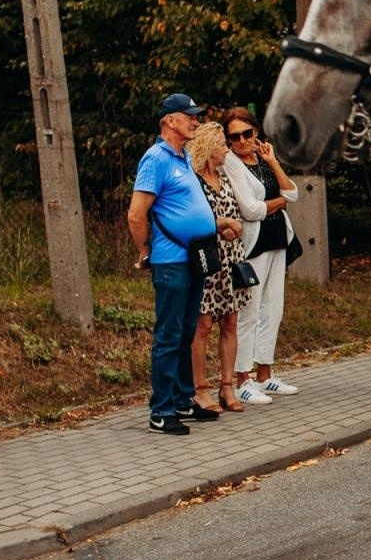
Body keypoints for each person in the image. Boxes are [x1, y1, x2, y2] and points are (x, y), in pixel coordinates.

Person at [127, 94, 221, 436]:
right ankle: (161, 409)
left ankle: (182, 400)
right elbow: (137, 213)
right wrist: (145, 251)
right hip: (171, 260)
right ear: (169, 120)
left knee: (185, 331)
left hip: (192, 258)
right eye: (190, 116)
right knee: (169, 335)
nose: (195, 121)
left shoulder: (182, 157)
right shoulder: (156, 158)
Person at [224, 107, 300, 405]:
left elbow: (293, 192)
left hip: (278, 238)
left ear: (256, 132)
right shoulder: (231, 163)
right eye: (235, 136)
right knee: (249, 311)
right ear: (228, 140)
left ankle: (265, 374)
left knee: (273, 308)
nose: (242, 140)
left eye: (247, 133)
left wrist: (272, 160)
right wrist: (281, 201)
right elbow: (250, 210)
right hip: (253, 244)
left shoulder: (263, 159)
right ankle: (242, 377)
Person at [184, 123, 248, 414]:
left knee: (231, 322)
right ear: (209, 147)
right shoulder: (194, 181)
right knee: (203, 324)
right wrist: (222, 226)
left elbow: (239, 211)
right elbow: (196, 219)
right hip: (207, 259)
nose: (226, 148)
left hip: (231, 258)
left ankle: (227, 385)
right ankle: (200, 388)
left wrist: (236, 229)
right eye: (222, 144)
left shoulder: (225, 177)